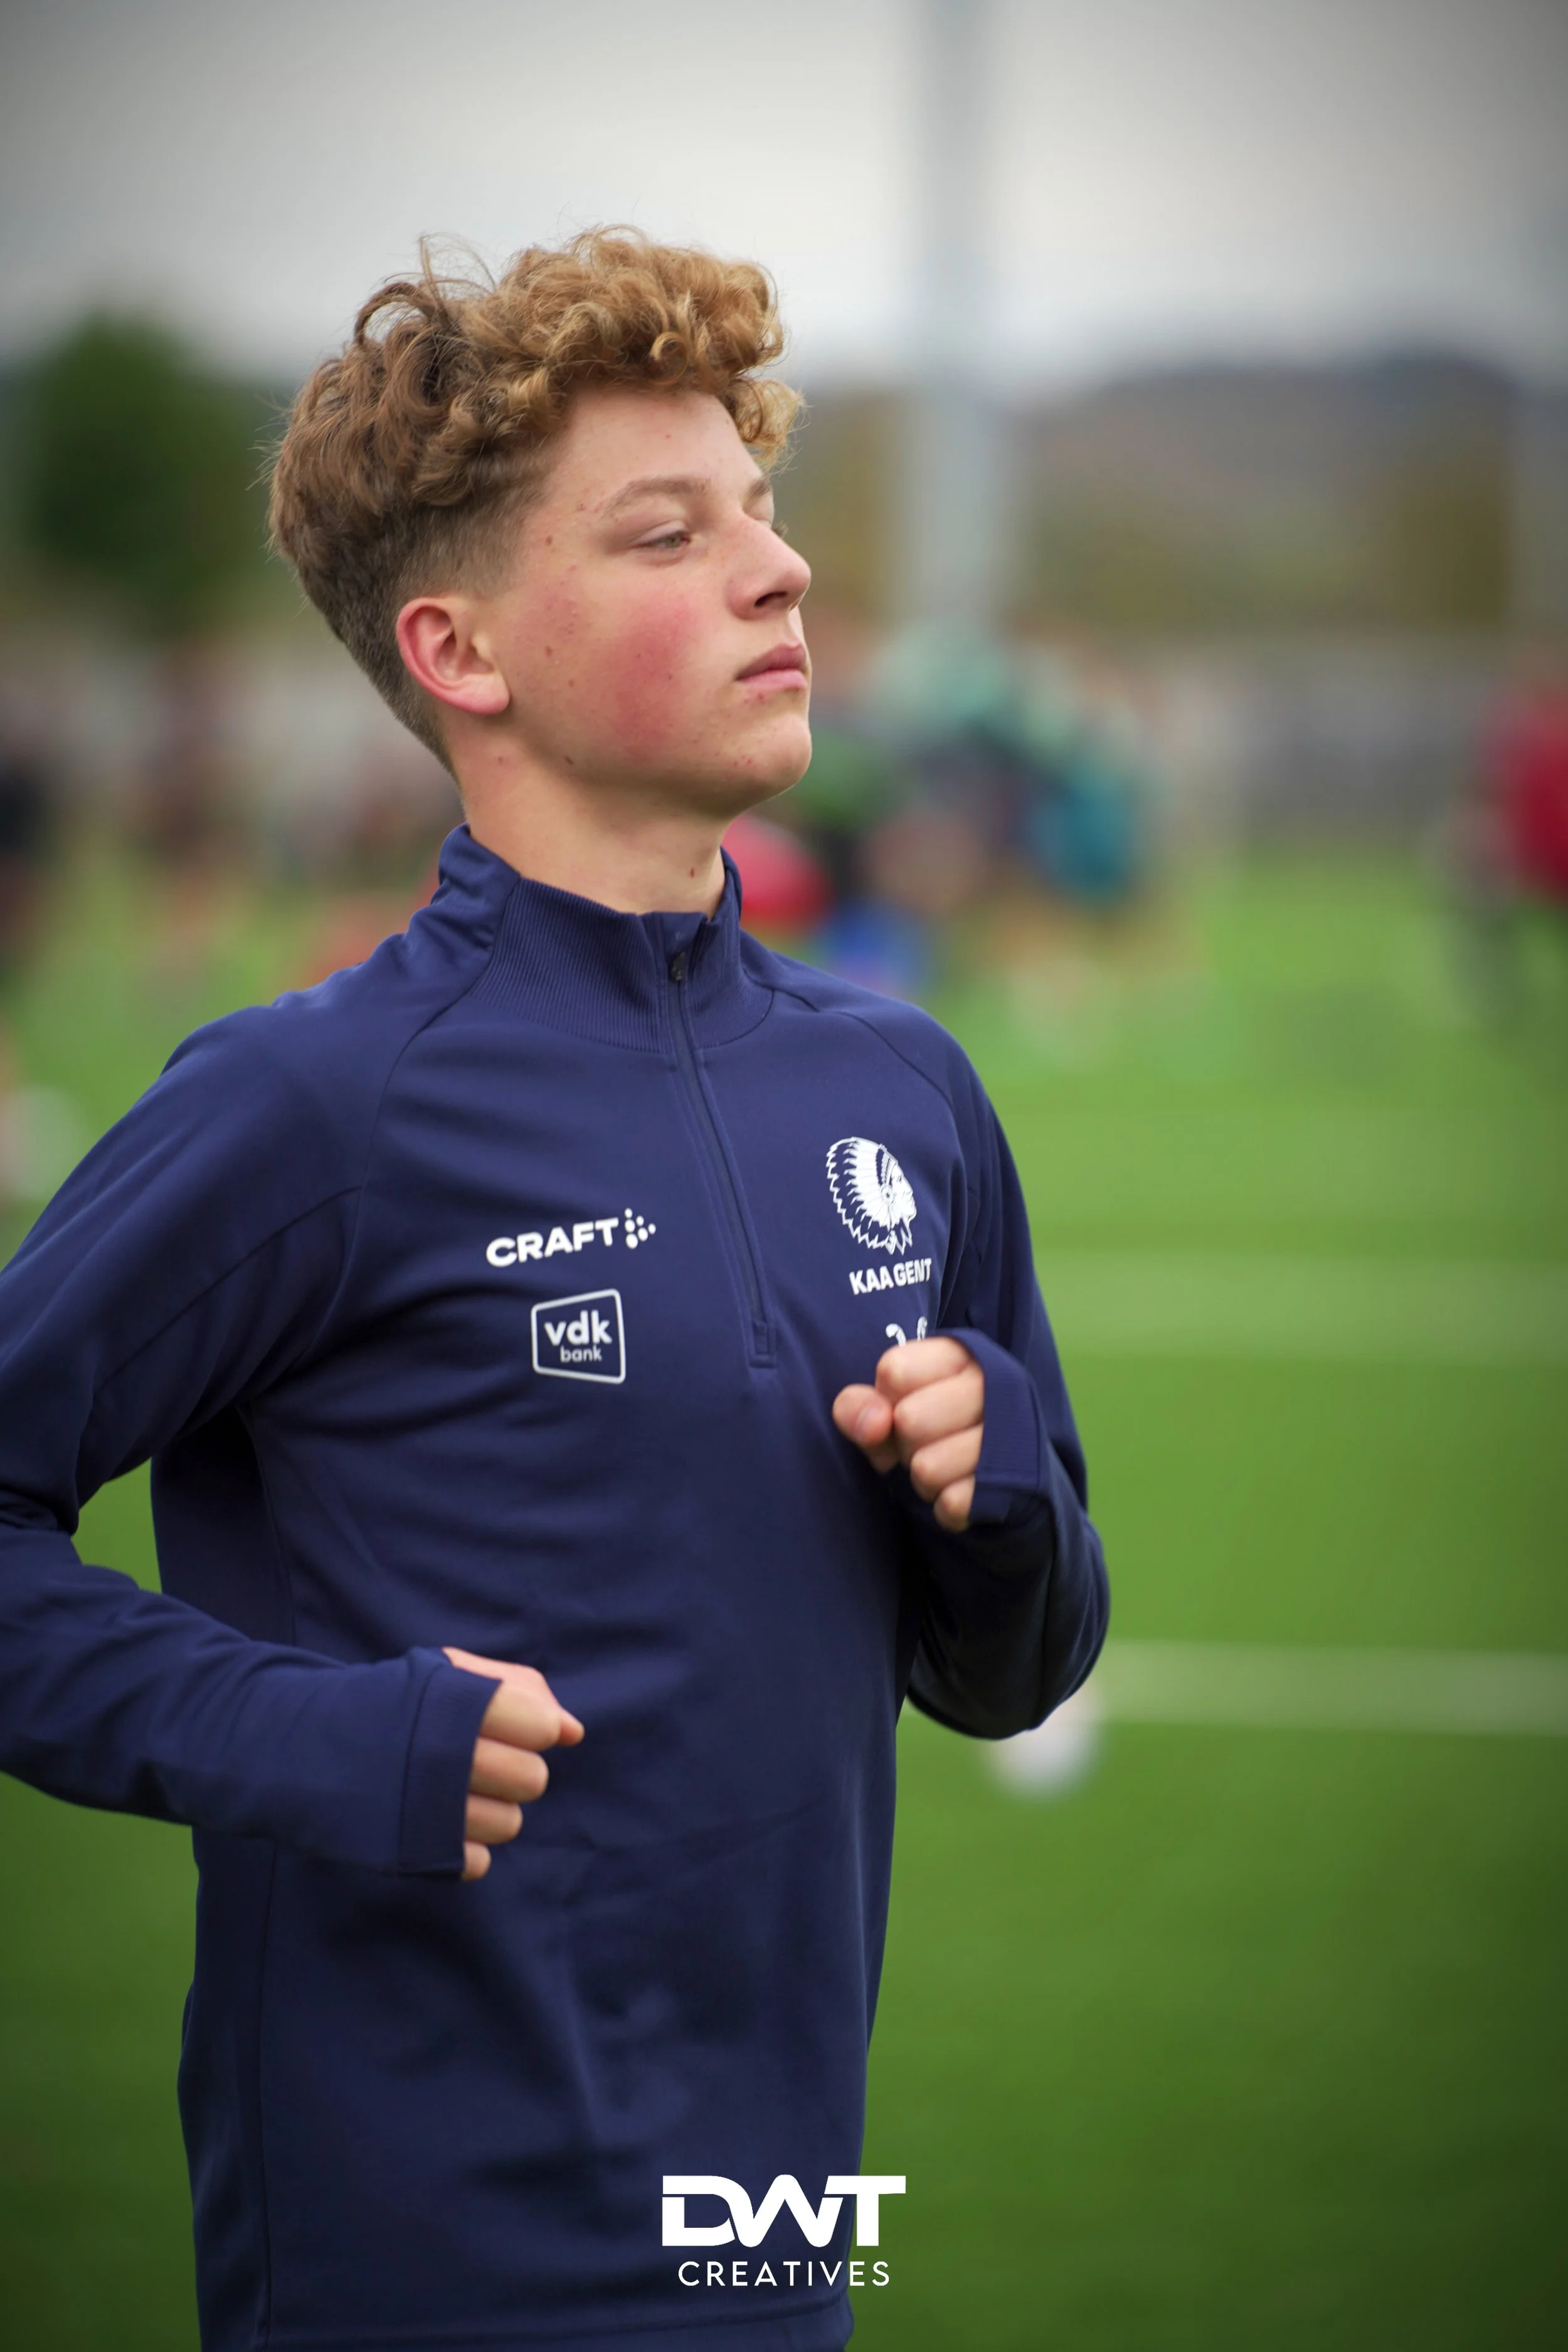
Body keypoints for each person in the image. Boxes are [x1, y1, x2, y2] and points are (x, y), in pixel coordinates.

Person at [0, 232, 1107, 2352]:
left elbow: (1015, 1670)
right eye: (669, 533)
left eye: (763, 515)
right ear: (462, 648)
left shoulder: (904, 1082)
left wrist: (1002, 1504)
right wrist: (307, 1730)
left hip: (783, 2225)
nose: (776, 573)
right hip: (423, 2240)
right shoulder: (307, 1103)